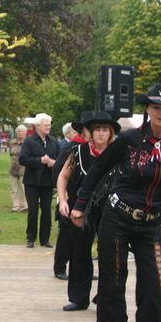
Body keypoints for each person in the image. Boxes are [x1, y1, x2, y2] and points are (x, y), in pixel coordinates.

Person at [72, 83, 161, 322]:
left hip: (150, 225)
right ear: (147, 109)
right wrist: (81, 204)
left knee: (156, 290)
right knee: (112, 288)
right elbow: (99, 168)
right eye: (156, 107)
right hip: (118, 219)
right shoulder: (129, 139)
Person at [57, 111, 120, 311]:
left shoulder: (117, 153)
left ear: (110, 133)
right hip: (81, 207)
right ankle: (79, 297)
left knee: (109, 253)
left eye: (105, 130)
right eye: (98, 130)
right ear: (91, 133)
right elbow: (63, 177)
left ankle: (105, 296)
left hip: (109, 208)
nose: (101, 134)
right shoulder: (79, 151)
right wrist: (63, 199)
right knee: (79, 251)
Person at [52, 111, 94, 280]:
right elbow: (58, 170)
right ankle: (60, 267)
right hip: (71, 196)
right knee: (67, 233)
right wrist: (64, 194)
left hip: (89, 199)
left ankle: (84, 268)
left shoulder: (98, 149)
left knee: (87, 235)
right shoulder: (72, 147)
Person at [20, 113, 58, 248]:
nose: (48, 127)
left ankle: (45, 239)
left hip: (48, 182)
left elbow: (60, 160)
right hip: (32, 181)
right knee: (33, 209)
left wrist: (53, 162)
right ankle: (31, 238)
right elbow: (23, 159)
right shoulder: (29, 141)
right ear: (38, 126)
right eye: (45, 125)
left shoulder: (53, 141)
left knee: (47, 210)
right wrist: (40, 160)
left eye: (49, 125)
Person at [8, 124, 28, 213]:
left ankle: (24, 206)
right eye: (19, 131)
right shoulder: (12, 142)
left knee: (24, 189)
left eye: (22, 131)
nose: (20, 133)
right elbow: (10, 153)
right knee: (14, 189)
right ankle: (15, 207)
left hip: (24, 169)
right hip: (13, 168)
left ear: (25, 133)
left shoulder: (27, 143)